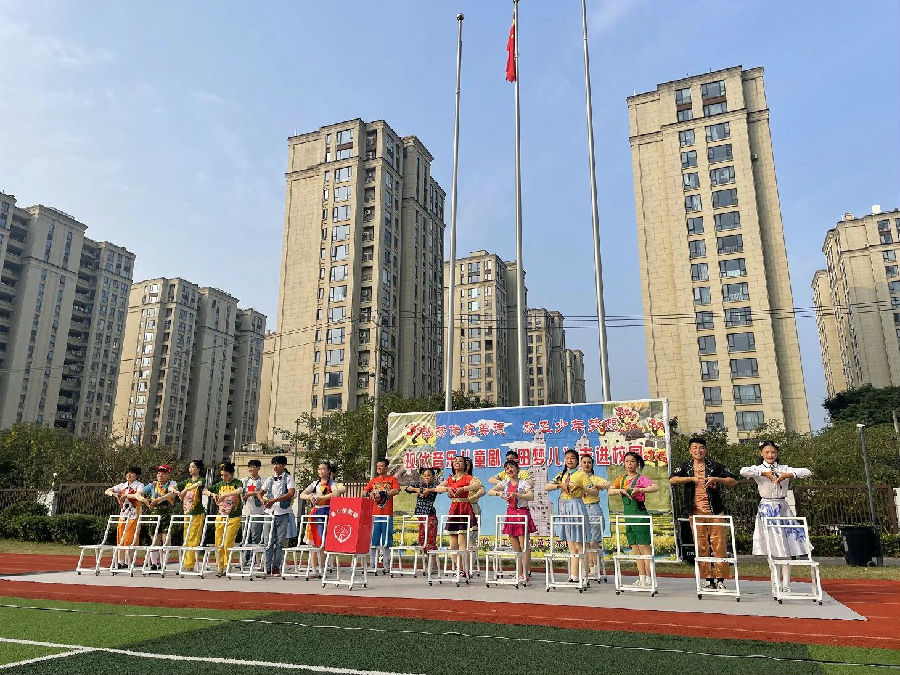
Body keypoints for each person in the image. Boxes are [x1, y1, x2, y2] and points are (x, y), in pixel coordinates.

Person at [740, 440, 813, 592]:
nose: (770, 455)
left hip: (783, 507)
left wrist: (788, 475)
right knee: (773, 547)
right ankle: (776, 583)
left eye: (773, 452)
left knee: (787, 547)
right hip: (767, 509)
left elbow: (807, 471)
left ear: (777, 453)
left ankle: (786, 584)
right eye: (767, 452)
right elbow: (743, 471)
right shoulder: (758, 469)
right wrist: (763, 473)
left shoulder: (783, 468)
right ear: (761, 453)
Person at [670, 437, 738, 590]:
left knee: (719, 545)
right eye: (694, 448)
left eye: (701, 447)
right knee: (701, 546)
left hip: (715, 511)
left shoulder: (714, 466)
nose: (698, 450)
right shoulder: (686, 466)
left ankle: (720, 579)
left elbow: (733, 481)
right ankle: (708, 578)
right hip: (695, 512)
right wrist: (691, 478)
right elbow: (672, 479)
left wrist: (717, 479)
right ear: (690, 450)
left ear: (705, 450)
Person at [609, 451, 659, 588]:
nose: (629, 464)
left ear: (637, 463)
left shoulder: (640, 478)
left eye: (632, 461)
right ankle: (641, 578)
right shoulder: (621, 479)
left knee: (644, 547)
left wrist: (640, 490)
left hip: (640, 514)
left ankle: (650, 578)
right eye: (627, 461)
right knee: (635, 548)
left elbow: (655, 487)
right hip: (628, 515)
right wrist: (620, 490)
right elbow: (610, 491)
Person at [487, 459, 536, 582]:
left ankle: (525, 574)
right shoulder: (505, 483)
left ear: (517, 469)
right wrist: (499, 494)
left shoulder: (523, 483)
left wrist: (518, 495)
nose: (509, 470)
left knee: (524, 546)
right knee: (516, 548)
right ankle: (519, 573)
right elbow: (490, 491)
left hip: (522, 513)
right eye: (507, 468)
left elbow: (531, 496)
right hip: (511, 514)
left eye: (512, 467)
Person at [546, 449, 589, 581]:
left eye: (572, 458)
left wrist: (581, 488)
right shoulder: (562, 475)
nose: (569, 460)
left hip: (577, 506)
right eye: (567, 458)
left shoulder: (581, 474)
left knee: (579, 543)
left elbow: (593, 489)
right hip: (566, 507)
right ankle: (574, 576)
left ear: (577, 461)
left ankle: (584, 575)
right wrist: (560, 486)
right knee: (570, 544)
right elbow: (547, 486)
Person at [434, 455, 480, 578]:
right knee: (453, 545)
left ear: (465, 465)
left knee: (462, 542)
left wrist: (464, 488)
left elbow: (478, 485)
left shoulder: (467, 478)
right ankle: (459, 569)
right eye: (455, 461)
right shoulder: (450, 479)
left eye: (460, 461)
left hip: (464, 508)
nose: (457, 462)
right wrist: (447, 488)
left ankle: (465, 570)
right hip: (454, 509)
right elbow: (437, 488)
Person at [299, 461, 343, 576]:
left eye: (323, 469)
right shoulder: (315, 484)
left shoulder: (333, 483)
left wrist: (321, 497)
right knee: (313, 541)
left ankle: (321, 568)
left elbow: (336, 494)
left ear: (328, 471)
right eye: (319, 469)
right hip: (315, 513)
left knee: (322, 541)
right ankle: (314, 569)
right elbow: (302, 494)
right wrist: (309, 496)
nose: (321, 471)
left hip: (327, 512)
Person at [203, 462, 243, 575]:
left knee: (228, 541)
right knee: (219, 541)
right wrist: (212, 494)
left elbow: (239, 490)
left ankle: (227, 565)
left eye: (226, 475)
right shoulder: (220, 484)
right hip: (220, 516)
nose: (223, 477)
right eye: (221, 475)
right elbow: (204, 490)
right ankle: (219, 565)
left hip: (233, 517)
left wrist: (225, 495)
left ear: (232, 474)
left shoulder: (237, 483)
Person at [364, 458, 400, 574]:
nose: (379, 468)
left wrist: (384, 493)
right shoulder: (373, 481)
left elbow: (396, 490)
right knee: (373, 540)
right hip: (375, 515)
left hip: (387, 515)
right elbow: (363, 492)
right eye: (377, 466)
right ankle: (372, 564)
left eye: (381, 466)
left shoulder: (392, 479)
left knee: (386, 540)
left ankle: (386, 564)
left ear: (386, 467)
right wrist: (369, 493)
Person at [262, 455, 297, 576]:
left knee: (280, 541)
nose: (275, 466)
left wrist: (275, 500)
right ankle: (267, 566)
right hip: (269, 513)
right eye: (274, 464)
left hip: (283, 513)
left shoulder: (288, 478)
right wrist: (263, 501)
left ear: (283, 465)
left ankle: (276, 566)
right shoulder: (269, 479)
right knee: (268, 541)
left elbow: (291, 493)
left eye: (278, 464)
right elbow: (259, 492)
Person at [139, 464, 178, 571]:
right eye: (159, 473)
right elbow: (139, 492)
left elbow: (172, 493)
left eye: (163, 473)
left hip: (167, 514)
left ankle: (164, 563)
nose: (160, 475)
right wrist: (144, 500)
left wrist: (159, 499)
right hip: (154, 514)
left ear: (168, 475)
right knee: (155, 538)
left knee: (166, 538)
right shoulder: (152, 485)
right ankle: (154, 564)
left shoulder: (171, 484)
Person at [105, 467, 144, 569]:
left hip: (134, 516)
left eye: (131, 473)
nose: (129, 475)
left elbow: (138, 495)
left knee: (130, 539)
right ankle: (120, 562)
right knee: (120, 539)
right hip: (123, 515)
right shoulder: (122, 485)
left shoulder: (139, 485)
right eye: (128, 473)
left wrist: (126, 496)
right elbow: (107, 490)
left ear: (136, 475)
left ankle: (129, 561)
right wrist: (113, 494)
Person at [580, 454, 611, 579]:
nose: (587, 464)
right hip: (581, 509)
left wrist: (598, 486)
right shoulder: (577, 478)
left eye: (589, 462)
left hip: (593, 509)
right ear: (580, 464)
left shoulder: (594, 478)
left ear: (592, 465)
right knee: (584, 542)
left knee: (594, 542)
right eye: (584, 462)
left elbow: (607, 484)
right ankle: (587, 568)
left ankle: (595, 569)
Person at [173, 459, 205, 572]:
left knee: (193, 538)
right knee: (186, 537)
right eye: (190, 467)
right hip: (187, 513)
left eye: (193, 467)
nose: (190, 469)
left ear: (198, 469)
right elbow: (172, 487)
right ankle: (186, 562)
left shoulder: (201, 480)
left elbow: (198, 484)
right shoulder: (186, 481)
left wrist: (185, 490)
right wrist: (177, 492)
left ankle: (190, 564)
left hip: (197, 513)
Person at [404, 467, 439, 564]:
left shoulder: (434, 485)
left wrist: (429, 490)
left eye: (429, 476)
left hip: (430, 515)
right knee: (422, 540)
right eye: (425, 476)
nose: (426, 477)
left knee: (430, 541)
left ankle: (433, 565)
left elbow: (440, 489)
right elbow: (407, 488)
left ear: (433, 477)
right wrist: (416, 490)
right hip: (421, 516)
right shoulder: (420, 485)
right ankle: (427, 564)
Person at [240, 459, 266, 566]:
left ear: (258, 468)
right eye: (249, 467)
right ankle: (245, 558)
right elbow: (240, 492)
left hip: (258, 512)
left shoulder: (263, 481)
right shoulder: (244, 481)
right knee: (245, 536)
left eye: (253, 467)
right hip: (245, 512)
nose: (250, 469)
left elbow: (263, 492)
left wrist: (250, 493)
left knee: (255, 537)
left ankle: (253, 558)